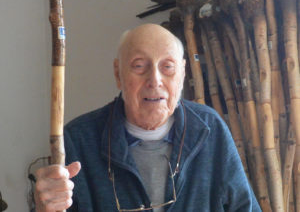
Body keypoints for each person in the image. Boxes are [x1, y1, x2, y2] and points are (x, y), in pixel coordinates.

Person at [34, 23, 261, 212]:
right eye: (139, 66)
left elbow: (245, 207)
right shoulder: (79, 140)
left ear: (182, 74)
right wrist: (46, 207)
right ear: (118, 74)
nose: (155, 80)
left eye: (168, 67)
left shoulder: (209, 129)